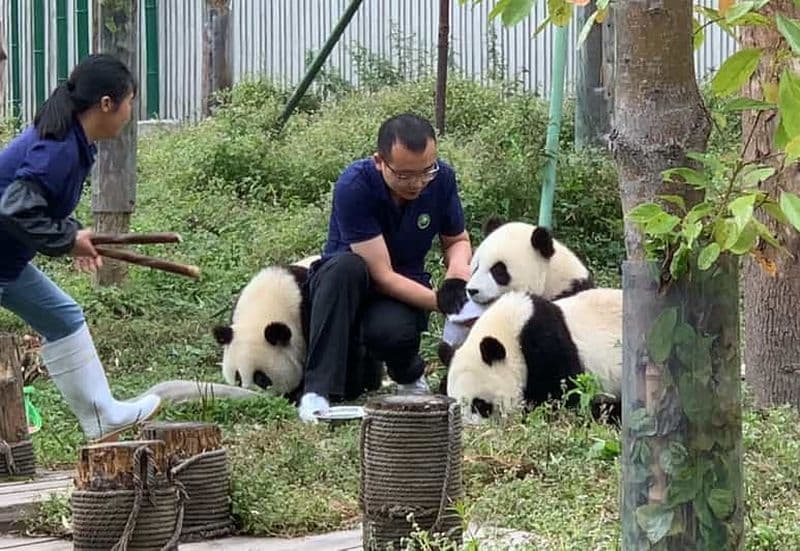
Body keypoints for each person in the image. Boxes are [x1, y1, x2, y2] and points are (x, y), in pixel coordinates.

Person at [0, 55, 161, 442]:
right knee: (63, 317)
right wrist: (67, 240)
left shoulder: (69, 140)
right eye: (130, 101)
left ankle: (101, 416)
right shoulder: (59, 148)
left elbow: (33, 203)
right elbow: (15, 208)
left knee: (63, 317)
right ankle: (101, 416)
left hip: (5, 261)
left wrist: (71, 236)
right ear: (107, 103)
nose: (129, 112)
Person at [298, 113, 472, 422]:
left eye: (425, 171)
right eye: (404, 175)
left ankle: (409, 378)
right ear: (380, 161)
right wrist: (443, 303)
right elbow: (381, 275)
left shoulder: (442, 179)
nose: (417, 183)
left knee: (393, 333)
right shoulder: (355, 186)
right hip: (345, 289)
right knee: (346, 268)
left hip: (401, 290)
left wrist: (457, 279)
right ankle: (316, 393)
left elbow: (456, 239)